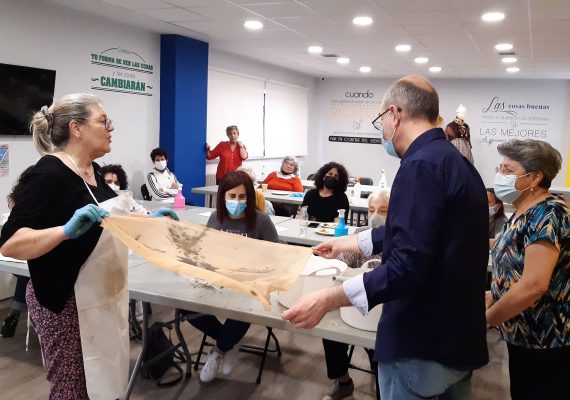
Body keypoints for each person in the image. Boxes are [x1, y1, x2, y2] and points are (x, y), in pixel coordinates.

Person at [282, 75, 489, 400]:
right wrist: (353, 242)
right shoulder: (456, 162)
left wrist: (330, 297)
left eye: (381, 120)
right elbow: (423, 232)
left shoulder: (419, 166)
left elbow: (407, 266)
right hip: (458, 340)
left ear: (395, 114)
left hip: (420, 344)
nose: (383, 130)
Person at [0, 94, 178, 398]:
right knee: (73, 389)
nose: (111, 127)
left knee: (102, 378)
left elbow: (117, 215)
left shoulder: (94, 171)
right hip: (63, 301)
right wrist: (65, 231)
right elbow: (10, 244)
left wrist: (148, 220)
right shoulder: (48, 174)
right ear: (76, 128)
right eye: (103, 121)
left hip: (97, 297)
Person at [485, 139, 569, 400]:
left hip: (546, 342)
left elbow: (534, 284)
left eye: (508, 170)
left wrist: (488, 318)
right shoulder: (522, 211)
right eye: (500, 168)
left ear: (535, 177)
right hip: (522, 337)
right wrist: (494, 295)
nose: (500, 175)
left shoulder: (549, 214)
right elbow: (511, 252)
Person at [183, 171, 279, 383]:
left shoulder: (261, 220)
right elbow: (205, 250)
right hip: (217, 280)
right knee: (184, 307)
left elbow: (277, 254)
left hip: (247, 284)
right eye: (232, 196)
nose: (237, 201)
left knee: (242, 310)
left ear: (250, 197)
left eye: (242, 197)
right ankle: (229, 341)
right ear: (223, 196)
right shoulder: (215, 218)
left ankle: (218, 351)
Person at [321, 189, 389, 400]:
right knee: (330, 330)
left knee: (383, 349)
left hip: (383, 312)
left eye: (383, 210)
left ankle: (384, 390)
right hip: (357, 305)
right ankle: (343, 381)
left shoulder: (400, 239)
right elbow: (342, 266)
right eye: (371, 210)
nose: (375, 215)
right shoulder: (359, 235)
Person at [0, 166, 35, 339]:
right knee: (26, 274)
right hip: (22, 256)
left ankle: (14, 314)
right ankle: (15, 314)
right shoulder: (20, 199)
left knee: (28, 275)